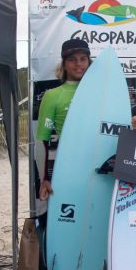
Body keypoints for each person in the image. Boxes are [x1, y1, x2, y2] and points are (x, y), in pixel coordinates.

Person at [36, 39, 92, 201]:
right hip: (68, 169)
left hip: (100, 169)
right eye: (72, 59)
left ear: (89, 61)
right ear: (64, 63)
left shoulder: (102, 92)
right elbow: (42, 141)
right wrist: (44, 179)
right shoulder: (53, 95)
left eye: (83, 59)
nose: (78, 64)